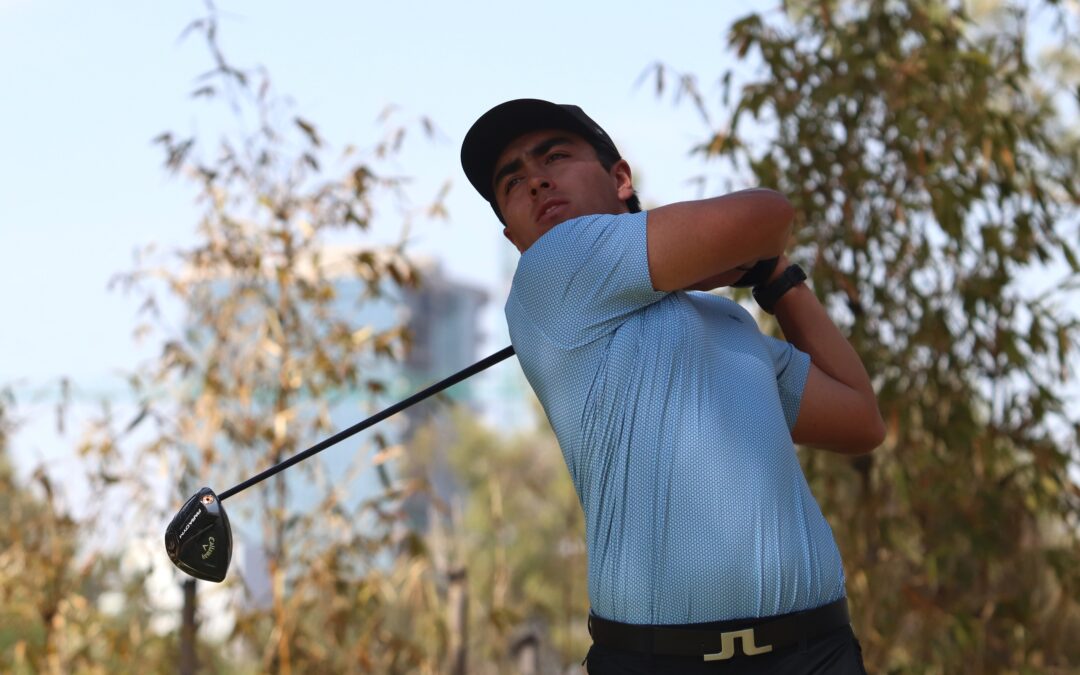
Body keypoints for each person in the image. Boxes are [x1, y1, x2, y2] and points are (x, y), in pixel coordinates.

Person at [460, 99, 884, 674]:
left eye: (554, 157)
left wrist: (779, 281)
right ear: (515, 237)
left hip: (816, 652)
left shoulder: (727, 324)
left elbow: (861, 421)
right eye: (512, 181)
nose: (534, 179)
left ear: (619, 179)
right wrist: (744, 257)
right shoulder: (553, 266)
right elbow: (767, 214)